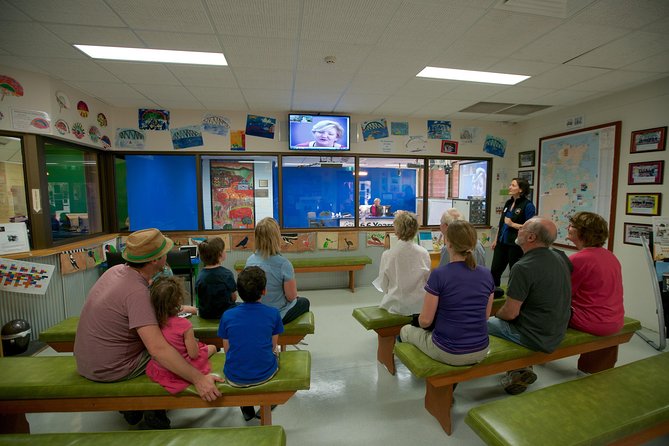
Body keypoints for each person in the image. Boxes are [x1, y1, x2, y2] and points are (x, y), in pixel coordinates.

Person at [74, 228, 222, 430]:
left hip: (86, 361)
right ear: (155, 260)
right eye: (164, 252)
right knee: (175, 351)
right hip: (111, 369)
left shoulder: (114, 272)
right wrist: (198, 379)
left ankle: (134, 407)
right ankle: (153, 408)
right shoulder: (137, 292)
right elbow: (158, 349)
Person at [488, 217, 572, 395]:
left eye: (523, 228)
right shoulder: (561, 257)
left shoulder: (523, 267)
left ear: (531, 238)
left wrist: (496, 316)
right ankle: (520, 370)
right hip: (557, 329)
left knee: (485, 323)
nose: (518, 229)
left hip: (536, 336)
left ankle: (515, 367)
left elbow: (510, 313)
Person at [400, 220, 494, 366]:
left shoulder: (439, 274)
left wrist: (418, 323)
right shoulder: (487, 274)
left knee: (405, 331)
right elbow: (486, 316)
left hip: (449, 351)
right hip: (482, 349)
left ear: (447, 242)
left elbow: (425, 322)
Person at [218, 266, 283, 421]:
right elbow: (272, 346)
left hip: (234, 377)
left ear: (239, 292)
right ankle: (266, 405)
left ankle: (246, 407)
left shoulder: (227, 315)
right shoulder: (273, 314)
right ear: (264, 291)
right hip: (265, 374)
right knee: (277, 352)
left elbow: (227, 350)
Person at [146, 276, 218, 394]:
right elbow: (193, 354)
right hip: (184, 366)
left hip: (160, 367)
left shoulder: (152, 321)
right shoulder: (184, 324)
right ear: (178, 300)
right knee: (212, 348)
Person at [566, 212, 624, 336]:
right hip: (615, 320)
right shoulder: (610, 255)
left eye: (571, 225)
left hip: (592, 322)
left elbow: (563, 294)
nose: (568, 228)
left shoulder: (578, 259)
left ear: (582, 232)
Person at [245, 217, 310, 323]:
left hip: (255, 312)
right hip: (275, 315)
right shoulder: (284, 264)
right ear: (276, 237)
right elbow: (291, 297)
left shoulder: (249, 261)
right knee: (304, 302)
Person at [376, 211, 431, 315]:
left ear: (396, 231)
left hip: (395, 306)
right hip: (420, 305)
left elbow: (383, 286)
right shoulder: (424, 253)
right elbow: (428, 281)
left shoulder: (387, 255)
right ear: (415, 230)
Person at [490, 178, 535, 286]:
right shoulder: (508, 202)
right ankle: (494, 293)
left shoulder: (528, 205)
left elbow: (531, 227)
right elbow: (502, 223)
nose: (510, 187)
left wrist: (512, 224)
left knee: (515, 272)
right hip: (502, 243)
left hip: (515, 245)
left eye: (513, 185)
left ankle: (514, 296)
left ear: (521, 189)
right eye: (510, 185)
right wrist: (496, 239)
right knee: (494, 271)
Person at [195, 237, 238, 320]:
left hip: (205, 315)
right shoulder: (227, 274)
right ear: (220, 254)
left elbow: (200, 296)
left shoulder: (200, 276)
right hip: (225, 314)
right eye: (224, 249)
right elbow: (234, 297)